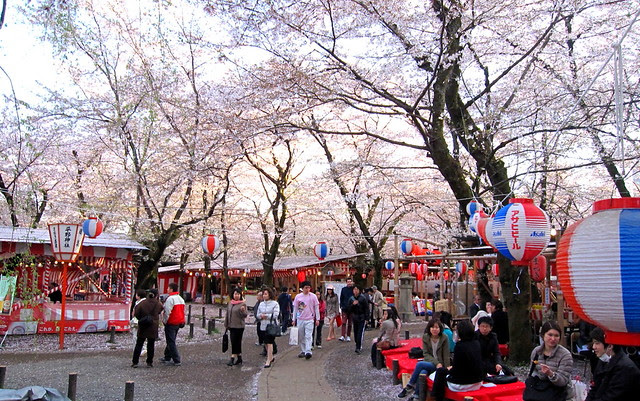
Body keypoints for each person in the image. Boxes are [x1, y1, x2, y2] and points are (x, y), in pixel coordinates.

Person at [431, 319, 484, 401]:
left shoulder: (460, 346)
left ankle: (437, 398)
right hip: (477, 382)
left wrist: (449, 370)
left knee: (440, 372)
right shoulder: (477, 343)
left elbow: (456, 370)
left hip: (462, 384)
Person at [397, 318, 450, 399]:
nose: (434, 329)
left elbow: (446, 354)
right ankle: (416, 396)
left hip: (440, 365)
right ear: (429, 328)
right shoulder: (426, 337)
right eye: (432, 327)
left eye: (437, 327)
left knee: (419, 364)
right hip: (429, 363)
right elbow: (426, 354)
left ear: (440, 329)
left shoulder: (444, 338)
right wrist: (436, 363)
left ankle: (409, 386)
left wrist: (446, 368)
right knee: (422, 372)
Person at [585, 327, 640, 401]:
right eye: (593, 343)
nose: (593, 347)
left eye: (597, 343)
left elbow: (612, 396)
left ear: (610, 346)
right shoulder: (603, 360)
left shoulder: (625, 368)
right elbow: (594, 388)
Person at [526, 320, 574, 400]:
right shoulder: (536, 351)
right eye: (550, 335)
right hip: (539, 391)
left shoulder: (565, 355)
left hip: (558, 393)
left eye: (556, 336)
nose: (553, 338)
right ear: (543, 335)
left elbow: (563, 380)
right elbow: (532, 372)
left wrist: (551, 374)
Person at [131, 289, 163, 368]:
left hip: (143, 325)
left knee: (139, 344)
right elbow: (160, 310)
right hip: (153, 325)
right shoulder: (158, 304)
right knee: (151, 345)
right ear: (156, 295)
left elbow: (136, 313)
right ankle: (149, 362)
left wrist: (142, 319)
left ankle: (135, 362)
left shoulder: (142, 303)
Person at [159, 282, 185, 366]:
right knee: (171, 340)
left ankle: (176, 359)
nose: (167, 289)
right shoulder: (180, 298)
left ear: (171, 289)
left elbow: (167, 311)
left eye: (168, 288)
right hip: (178, 322)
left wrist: (164, 321)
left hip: (171, 322)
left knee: (171, 341)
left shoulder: (170, 299)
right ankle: (167, 356)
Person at [293, 280, 320, 360]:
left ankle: (308, 351)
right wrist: (294, 319)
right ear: (302, 288)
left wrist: (317, 319)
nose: (307, 289)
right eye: (306, 288)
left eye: (309, 288)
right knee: (301, 336)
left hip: (310, 319)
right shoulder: (298, 297)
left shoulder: (313, 296)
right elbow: (295, 308)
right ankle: (303, 350)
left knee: (308, 335)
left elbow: (316, 308)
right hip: (300, 319)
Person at [257, 287, 280, 368]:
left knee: (269, 342)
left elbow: (276, 314)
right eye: (263, 294)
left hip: (271, 325)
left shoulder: (275, 304)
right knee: (265, 342)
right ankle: (271, 357)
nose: (264, 295)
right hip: (263, 325)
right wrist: (260, 316)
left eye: (266, 294)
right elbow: (257, 314)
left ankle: (268, 359)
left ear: (270, 295)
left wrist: (266, 316)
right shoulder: (261, 304)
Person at [225, 287, 248, 366]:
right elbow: (227, 314)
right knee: (234, 341)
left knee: (235, 341)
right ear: (233, 295)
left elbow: (245, 315)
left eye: (238, 294)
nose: (236, 295)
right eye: (235, 294)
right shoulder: (230, 303)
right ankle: (239, 357)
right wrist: (226, 324)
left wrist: (242, 311)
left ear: (240, 295)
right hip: (231, 326)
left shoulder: (243, 304)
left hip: (239, 326)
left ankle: (232, 358)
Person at [348, 285, 369, 354]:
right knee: (355, 332)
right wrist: (353, 305)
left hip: (361, 317)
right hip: (355, 317)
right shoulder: (351, 299)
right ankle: (357, 343)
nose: (355, 291)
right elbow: (349, 309)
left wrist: (367, 318)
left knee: (360, 332)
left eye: (357, 289)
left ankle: (358, 347)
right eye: (354, 289)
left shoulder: (362, 298)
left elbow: (366, 308)